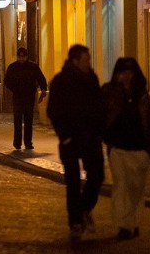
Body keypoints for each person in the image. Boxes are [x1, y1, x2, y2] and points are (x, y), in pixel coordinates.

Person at [47, 44, 105, 241]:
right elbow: (53, 111)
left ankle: (83, 209)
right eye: (86, 59)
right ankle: (76, 222)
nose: (89, 63)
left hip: (91, 137)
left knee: (97, 176)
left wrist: (99, 130)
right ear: (75, 60)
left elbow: (99, 106)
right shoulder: (61, 81)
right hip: (70, 139)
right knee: (72, 182)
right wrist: (65, 136)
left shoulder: (92, 79)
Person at [102, 57, 150, 240]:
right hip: (118, 147)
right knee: (121, 187)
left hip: (138, 148)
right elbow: (102, 116)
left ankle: (134, 221)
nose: (126, 76)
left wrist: (149, 148)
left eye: (129, 72)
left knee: (136, 189)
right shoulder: (109, 92)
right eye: (122, 72)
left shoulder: (141, 94)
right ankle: (124, 225)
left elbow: (146, 122)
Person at [4, 47, 47, 149]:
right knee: (17, 120)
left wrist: (44, 88)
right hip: (18, 96)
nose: (22, 58)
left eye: (23, 56)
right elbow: (7, 81)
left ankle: (28, 143)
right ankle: (17, 143)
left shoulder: (33, 67)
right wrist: (14, 89)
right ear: (17, 56)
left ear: (27, 56)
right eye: (20, 56)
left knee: (28, 120)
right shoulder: (12, 67)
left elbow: (41, 78)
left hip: (29, 96)